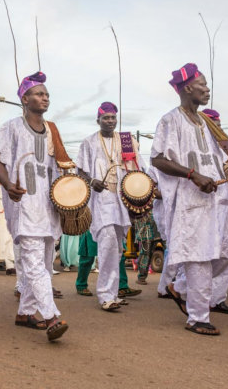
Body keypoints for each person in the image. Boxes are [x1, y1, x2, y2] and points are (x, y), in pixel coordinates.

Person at [151, 63, 228, 335]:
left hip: (218, 199)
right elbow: (158, 159)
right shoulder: (170, 120)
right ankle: (197, 317)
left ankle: (182, 287)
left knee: (227, 252)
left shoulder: (207, 123)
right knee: (199, 257)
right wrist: (193, 175)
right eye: (203, 84)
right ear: (188, 88)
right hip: (191, 202)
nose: (207, 89)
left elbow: (222, 160)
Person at [0, 71, 69, 341]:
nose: (44, 97)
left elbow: (62, 166)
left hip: (48, 206)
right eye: (38, 93)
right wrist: (8, 186)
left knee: (45, 262)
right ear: (25, 98)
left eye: (46, 94)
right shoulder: (11, 127)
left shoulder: (52, 130)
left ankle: (25, 312)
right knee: (35, 262)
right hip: (23, 202)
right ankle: (50, 316)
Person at [75, 102, 144, 311]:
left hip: (121, 200)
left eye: (113, 117)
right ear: (98, 120)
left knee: (118, 249)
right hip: (102, 200)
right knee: (106, 245)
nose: (110, 121)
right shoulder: (89, 142)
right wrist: (91, 181)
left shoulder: (126, 140)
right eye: (106, 118)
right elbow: (80, 171)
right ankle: (105, 296)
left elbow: (137, 168)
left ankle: (113, 293)